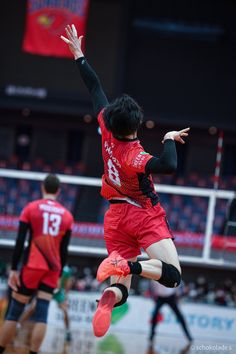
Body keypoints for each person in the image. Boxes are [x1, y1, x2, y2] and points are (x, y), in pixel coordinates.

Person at [61, 24, 190, 338]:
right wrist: (169, 137)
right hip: (143, 215)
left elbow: (95, 89)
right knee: (172, 276)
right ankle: (127, 267)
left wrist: (79, 55)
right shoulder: (136, 156)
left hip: (114, 217)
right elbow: (169, 165)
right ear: (135, 125)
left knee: (121, 290)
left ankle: (109, 297)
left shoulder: (106, 127)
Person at [0, 174, 74, 354]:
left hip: (32, 265)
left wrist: (15, 269)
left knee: (14, 312)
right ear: (58, 191)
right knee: (42, 314)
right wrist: (57, 274)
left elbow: (20, 241)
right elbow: (64, 251)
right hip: (52, 268)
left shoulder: (30, 208)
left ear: (43, 188)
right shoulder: (67, 215)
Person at [17, 265, 73, 342]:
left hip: (58, 293)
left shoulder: (66, 270)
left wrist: (66, 297)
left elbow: (68, 284)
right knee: (32, 307)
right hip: (47, 289)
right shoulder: (48, 264)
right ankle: (18, 325)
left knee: (65, 310)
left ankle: (67, 331)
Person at [149, 281, 193, 347]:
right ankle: (151, 336)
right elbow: (152, 286)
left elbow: (179, 283)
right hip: (160, 298)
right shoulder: (155, 275)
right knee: (154, 315)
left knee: (180, 316)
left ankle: (188, 336)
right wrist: (154, 296)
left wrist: (178, 294)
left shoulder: (170, 273)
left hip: (171, 297)